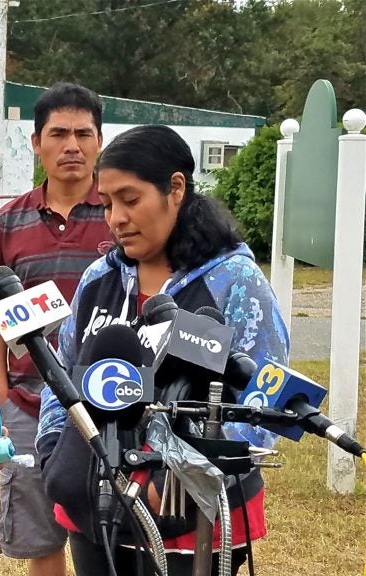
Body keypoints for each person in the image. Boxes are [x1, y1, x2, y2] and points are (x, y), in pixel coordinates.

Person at [37, 124, 290, 576]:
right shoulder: (99, 278)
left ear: (176, 188)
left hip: (194, 521)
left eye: (130, 200)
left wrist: (184, 477)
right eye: (108, 202)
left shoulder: (235, 282)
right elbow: (62, 372)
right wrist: (54, 451)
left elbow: (264, 399)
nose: (115, 218)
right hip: (93, 507)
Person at [0, 82, 115, 576]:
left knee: (113, 525)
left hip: (112, 401)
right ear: (36, 143)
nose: (71, 146)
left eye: (83, 133)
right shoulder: (9, 220)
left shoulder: (122, 214)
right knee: (40, 537)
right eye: (58, 133)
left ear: (100, 140)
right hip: (28, 403)